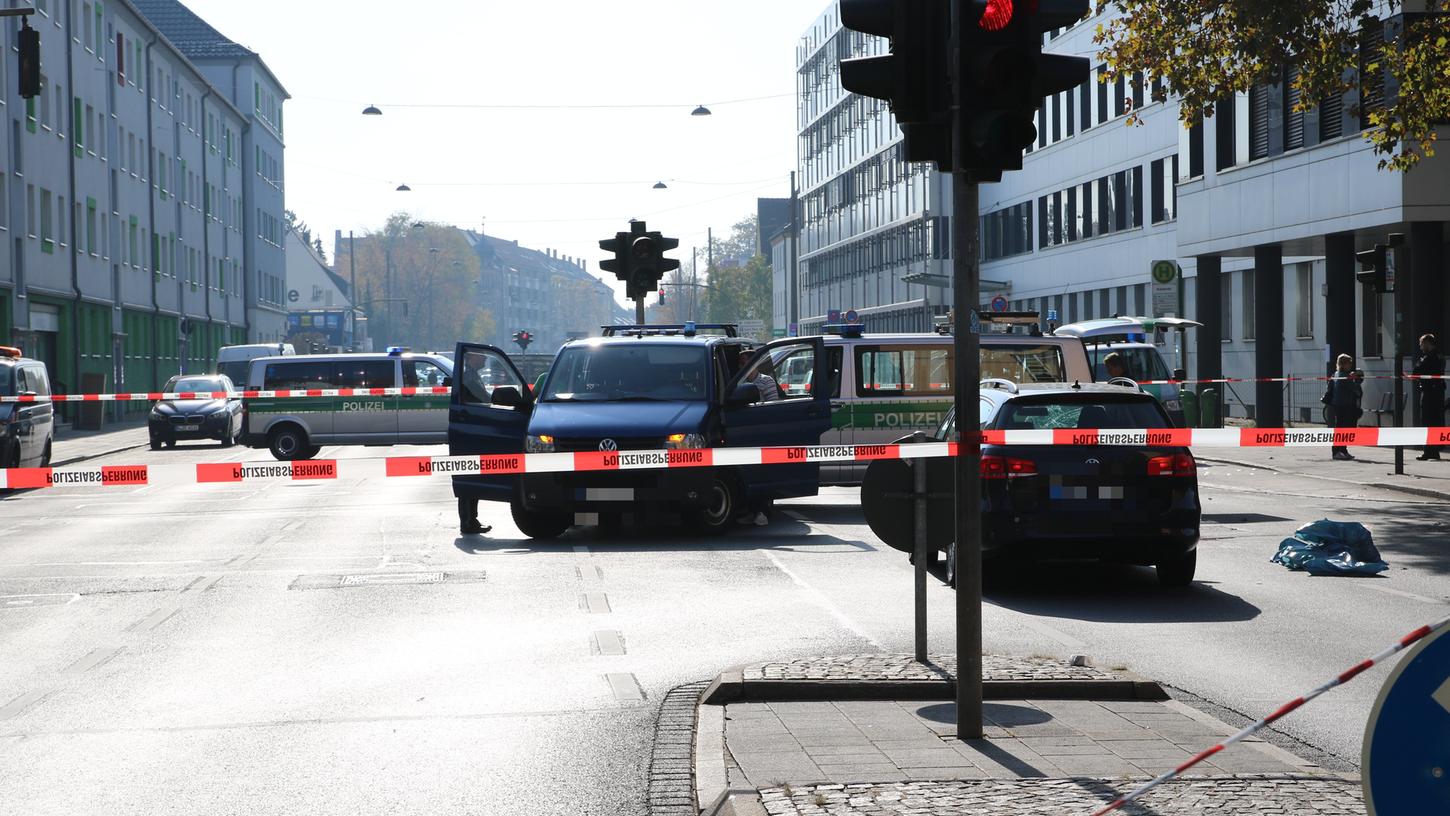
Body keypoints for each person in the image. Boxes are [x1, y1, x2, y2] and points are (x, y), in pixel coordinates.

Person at [1324, 354, 1363, 460]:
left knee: (1342, 427)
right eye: (1349, 363)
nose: (1350, 365)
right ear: (1343, 364)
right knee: (1342, 428)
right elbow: (1355, 389)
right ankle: (1337, 451)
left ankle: (1342, 450)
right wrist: (1355, 379)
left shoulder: (1337, 374)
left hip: (1338, 404)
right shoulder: (1345, 377)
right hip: (1344, 404)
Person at [1413, 333, 1445, 461]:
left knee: (1427, 421)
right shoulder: (1439, 356)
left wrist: (1420, 362)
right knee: (1436, 421)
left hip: (1429, 393)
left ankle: (1428, 451)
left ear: (1427, 343)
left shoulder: (1428, 358)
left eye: (1421, 344)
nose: (1420, 347)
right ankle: (1435, 450)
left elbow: (1417, 371)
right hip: (1437, 392)